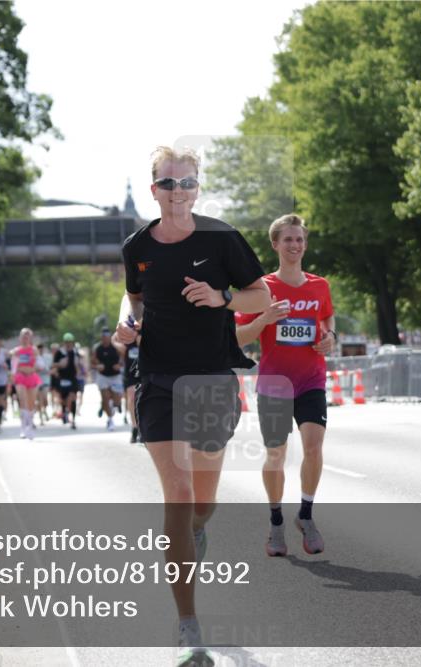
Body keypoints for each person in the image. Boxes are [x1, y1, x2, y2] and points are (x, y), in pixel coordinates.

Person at [115, 145, 270, 667]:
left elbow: (261, 297)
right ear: (154, 188)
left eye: (186, 183)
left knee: (202, 504)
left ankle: (199, 527)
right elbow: (133, 297)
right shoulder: (137, 245)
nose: (177, 193)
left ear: (197, 188)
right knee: (178, 494)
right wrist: (126, 324)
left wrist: (223, 298)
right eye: (167, 184)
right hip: (157, 377)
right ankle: (188, 627)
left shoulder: (220, 237)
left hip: (210, 378)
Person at [235, 214, 336, 557]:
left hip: (311, 379)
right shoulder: (261, 289)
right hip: (275, 382)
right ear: (275, 244)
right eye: (288, 239)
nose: (295, 245)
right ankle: (276, 522)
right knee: (276, 454)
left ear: (305, 244)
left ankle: (306, 515)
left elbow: (326, 319)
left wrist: (330, 338)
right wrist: (265, 318)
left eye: (300, 239)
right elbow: (238, 337)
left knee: (312, 447)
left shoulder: (319, 285)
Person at [11, 328, 42, 439]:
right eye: (23, 335)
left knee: (31, 403)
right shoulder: (16, 351)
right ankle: (23, 427)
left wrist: (32, 369)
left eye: (27, 336)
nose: (25, 338)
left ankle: (30, 425)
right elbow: (14, 366)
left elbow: (38, 364)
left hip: (32, 377)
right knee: (22, 400)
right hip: (20, 377)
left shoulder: (34, 350)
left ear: (30, 338)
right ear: (20, 337)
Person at [113, 332, 142, 443]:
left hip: (144, 373)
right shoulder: (127, 346)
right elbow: (114, 339)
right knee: (131, 397)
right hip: (130, 376)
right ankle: (135, 428)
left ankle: (142, 427)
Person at [93, 329, 123, 431]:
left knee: (117, 399)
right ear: (101, 338)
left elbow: (124, 357)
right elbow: (92, 362)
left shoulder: (116, 347)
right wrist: (97, 366)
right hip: (103, 376)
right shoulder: (98, 349)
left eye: (107, 337)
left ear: (110, 337)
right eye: (103, 337)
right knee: (105, 397)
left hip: (115, 376)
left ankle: (111, 406)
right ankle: (110, 419)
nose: (105, 339)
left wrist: (119, 365)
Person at [53, 333, 80, 429]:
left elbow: (79, 364)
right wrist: (60, 364)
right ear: (64, 343)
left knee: (72, 397)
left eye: (70, 342)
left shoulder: (75, 352)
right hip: (62, 378)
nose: (68, 344)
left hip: (72, 378)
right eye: (67, 342)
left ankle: (73, 419)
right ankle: (64, 412)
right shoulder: (60, 352)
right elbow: (54, 364)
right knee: (63, 399)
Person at [36, 343, 53, 426]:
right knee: (39, 400)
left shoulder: (48, 357)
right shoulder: (35, 358)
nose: (40, 350)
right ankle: (41, 418)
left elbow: (50, 367)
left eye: (41, 349)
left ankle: (45, 410)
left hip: (46, 380)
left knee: (45, 398)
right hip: (37, 381)